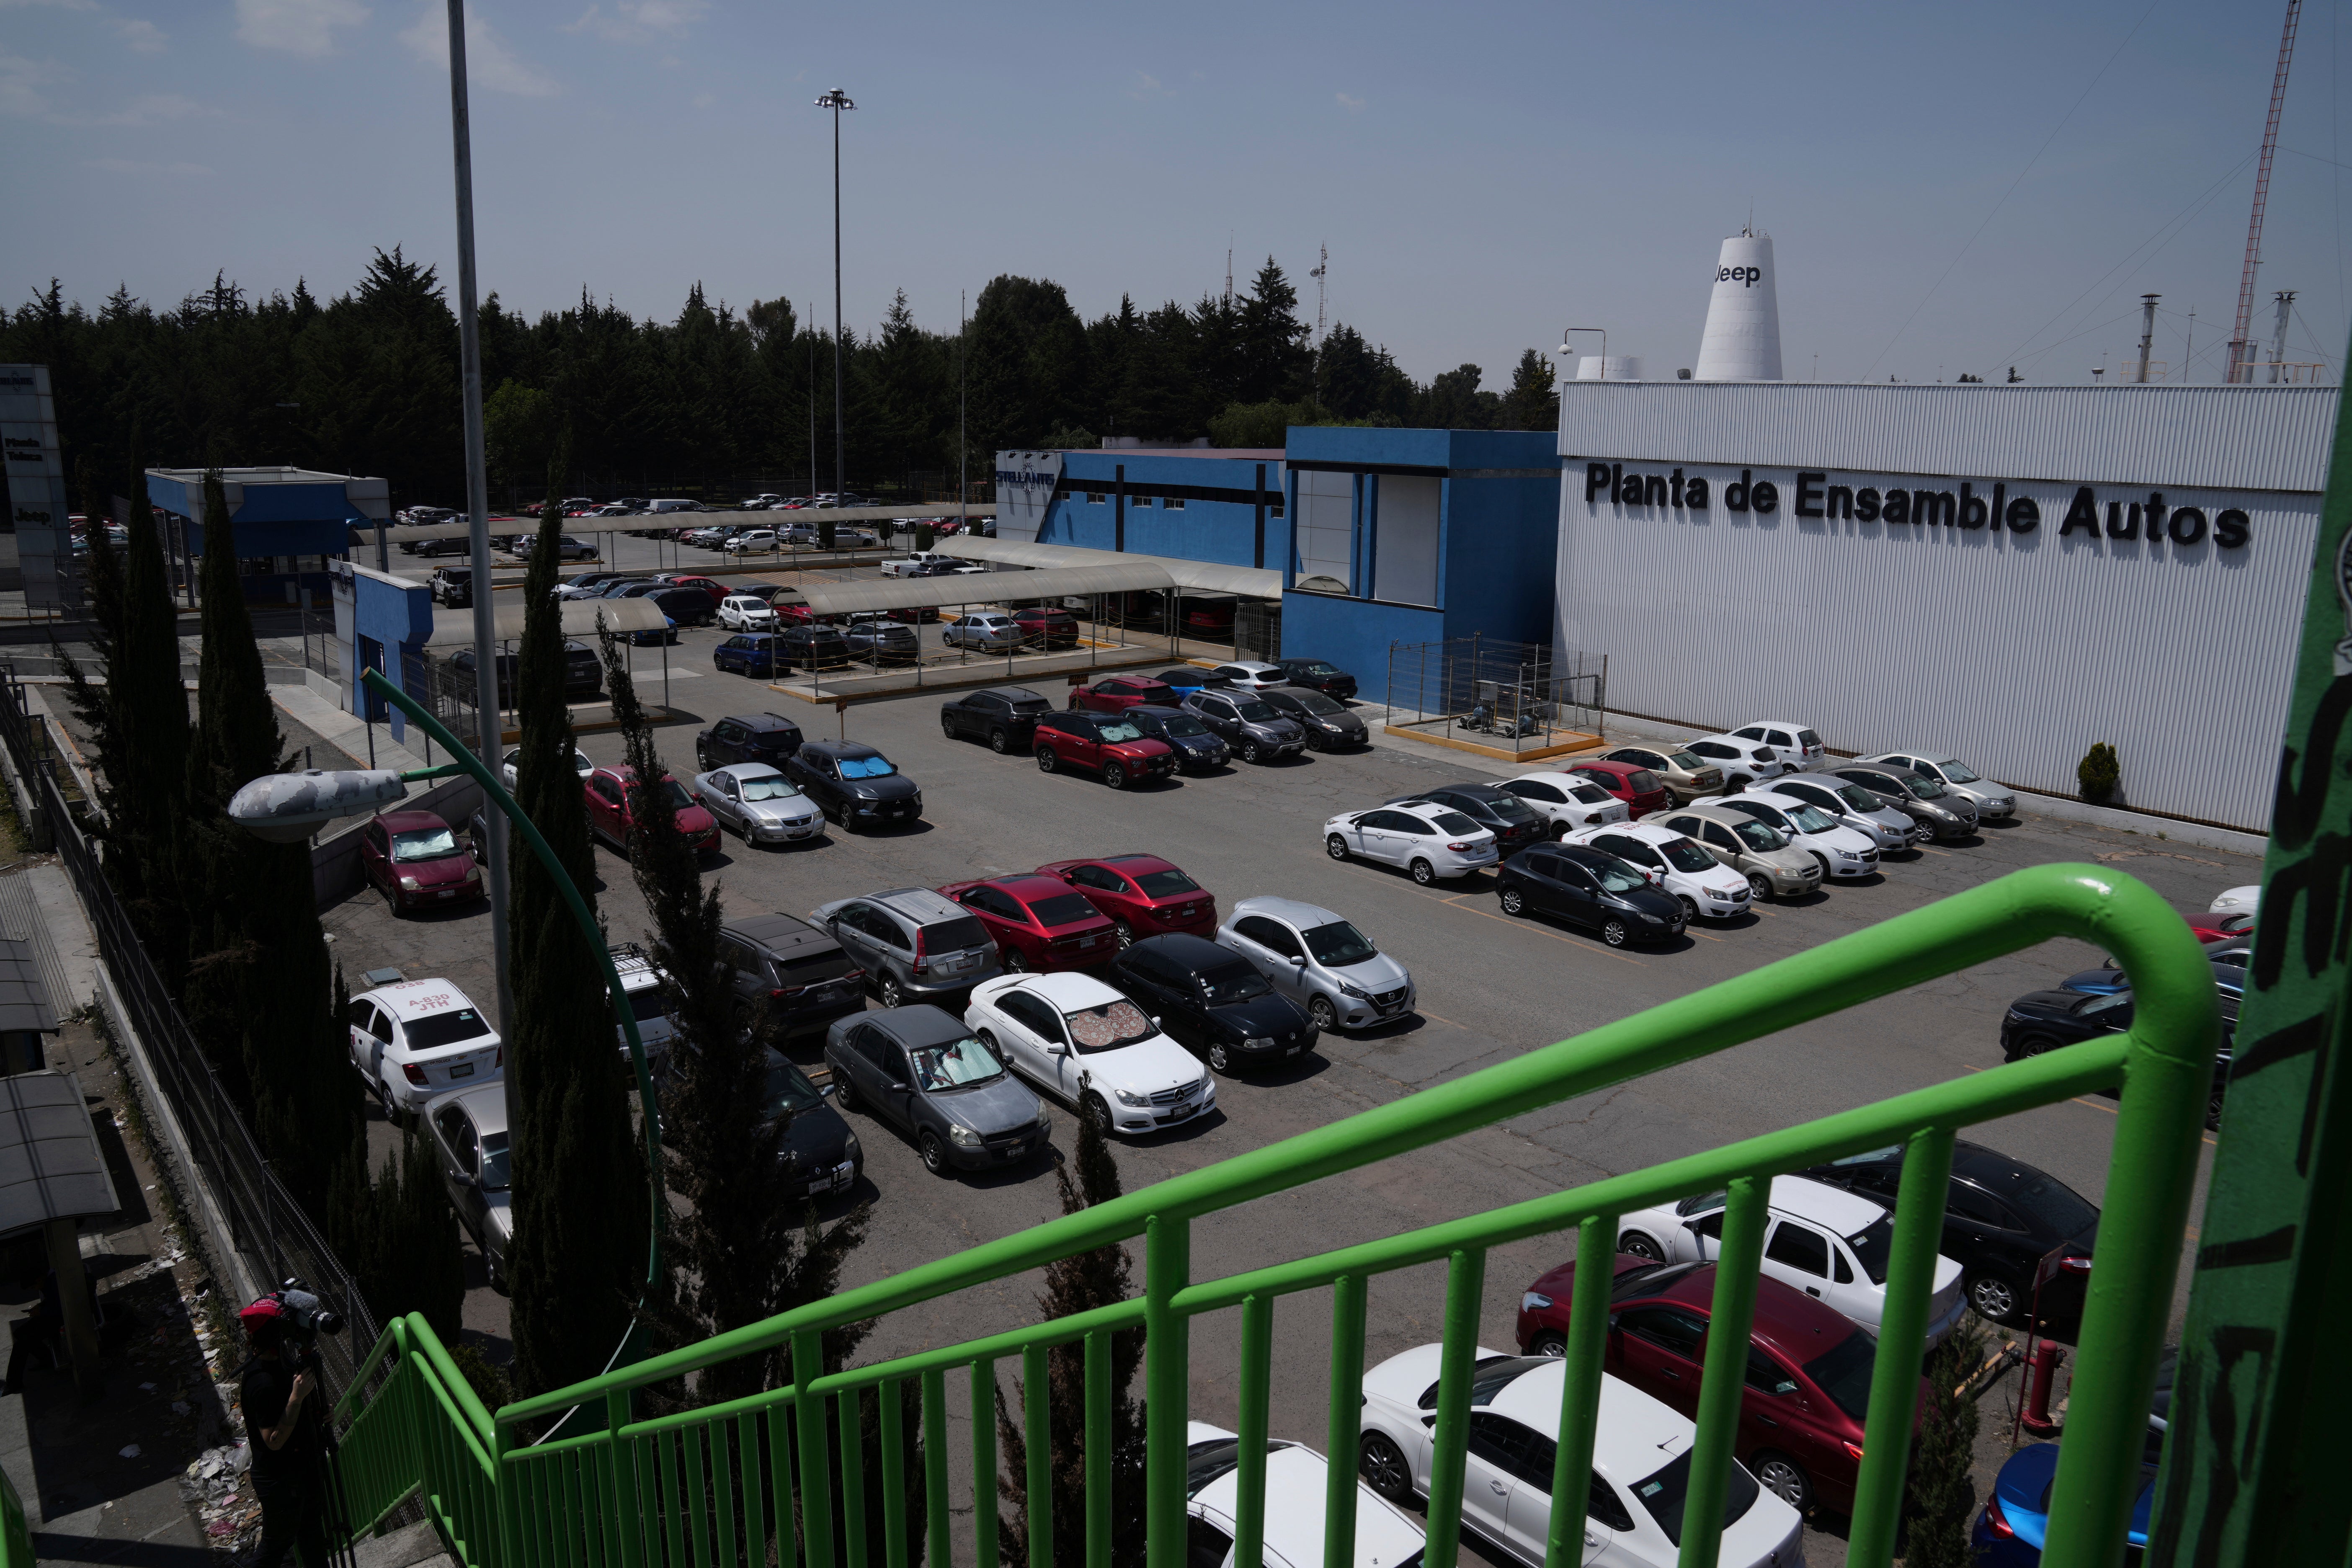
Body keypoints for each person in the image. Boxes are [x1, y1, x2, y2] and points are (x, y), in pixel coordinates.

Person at [238, 1297, 329, 1568]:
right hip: (280, 1482)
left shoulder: (280, 1361)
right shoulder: (262, 1382)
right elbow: (273, 1441)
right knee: (273, 1550)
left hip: (302, 1471)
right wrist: (296, 1399)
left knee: (313, 1540)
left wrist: (320, 1413)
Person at [1, 1271, 63, 1395]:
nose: (35, 1290)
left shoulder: (53, 1284)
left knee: (22, 1344)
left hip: (58, 1320)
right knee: (19, 1333)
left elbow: (61, 1307)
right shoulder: (48, 1283)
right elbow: (54, 1301)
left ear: (39, 1280)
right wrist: (41, 1307)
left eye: (34, 1287)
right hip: (51, 1317)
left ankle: (14, 1383)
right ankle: (46, 1359)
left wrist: (42, 1311)